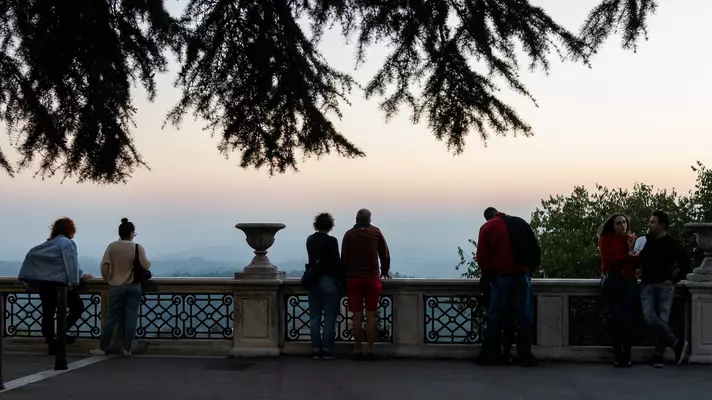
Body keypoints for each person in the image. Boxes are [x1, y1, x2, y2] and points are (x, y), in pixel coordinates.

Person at [476, 207, 540, 367]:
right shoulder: (520, 222)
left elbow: (482, 255)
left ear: (487, 218)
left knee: (495, 316)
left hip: (501, 277)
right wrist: (529, 271)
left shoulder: (488, 227)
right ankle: (525, 355)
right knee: (524, 316)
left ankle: (489, 354)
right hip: (521, 277)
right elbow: (535, 249)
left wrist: (486, 274)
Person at [18, 217, 92, 355]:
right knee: (77, 307)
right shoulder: (68, 244)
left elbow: (32, 254)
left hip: (45, 284)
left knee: (48, 312)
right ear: (70, 230)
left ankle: (51, 340)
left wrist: (27, 275)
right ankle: (61, 333)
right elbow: (71, 264)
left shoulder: (47, 245)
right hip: (61, 284)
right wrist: (77, 278)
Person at [90, 218, 151, 356]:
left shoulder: (112, 247)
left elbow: (104, 265)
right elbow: (146, 265)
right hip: (134, 286)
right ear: (131, 233)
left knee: (111, 318)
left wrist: (108, 278)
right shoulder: (137, 247)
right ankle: (127, 348)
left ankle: (103, 347)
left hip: (116, 286)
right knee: (131, 317)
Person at [637, 210, 690, 367]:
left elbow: (685, 264)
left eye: (653, 222)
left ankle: (658, 355)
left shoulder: (673, 243)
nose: (650, 224)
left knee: (663, 318)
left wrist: (673, 280)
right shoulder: (645, 241)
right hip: (647, 284)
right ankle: (676, 343)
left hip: (665, 287)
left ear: (662, 225)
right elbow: (636, 260)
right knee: (650, 316)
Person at [341, 209, 391, 360]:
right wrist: (385, 270)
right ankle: (369, 350)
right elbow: (385, 254)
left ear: (356, 219)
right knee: (371, 315)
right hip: (372, 278)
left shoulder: (349, 234)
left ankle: (357, 349)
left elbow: (344, 258)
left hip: (354, 279)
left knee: (356, 316)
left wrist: (345, 275)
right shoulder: (376, 232)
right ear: (369, 219)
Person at [599, 213, 639, 367]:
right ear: (612, 226)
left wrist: (631, 251)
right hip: (614, 280)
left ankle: (627, 355)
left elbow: (636, 264)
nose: (623, 226)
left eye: (624, 222)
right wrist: (626, 255)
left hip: (629, 280)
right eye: (619, 223)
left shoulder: (632, 240)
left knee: (628, 318)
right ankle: (617, 354)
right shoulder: (606, 240)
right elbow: (607, 260)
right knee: (616, 318)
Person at [305, 212, 343, 359]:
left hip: (313, 280)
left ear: (316, 224)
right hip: (329, 280)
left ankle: (316, 349)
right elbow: (336, 262)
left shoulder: (310, 240)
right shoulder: (332, 241)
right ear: (330, 226)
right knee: (329, 316)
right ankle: (327, 349)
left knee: (314, 316)